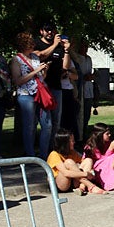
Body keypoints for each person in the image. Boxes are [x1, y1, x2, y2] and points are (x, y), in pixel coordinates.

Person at [34, 23, 74, 157]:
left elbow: (65, 66)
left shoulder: (59, 47)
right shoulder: (37, 44)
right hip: (42, 88)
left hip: (57, 87)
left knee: (57, 122)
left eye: (52, 30)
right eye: (47, 30)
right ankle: (44, 155)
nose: (50, 32)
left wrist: (67, 50)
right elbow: (40, 56)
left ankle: (54, 152)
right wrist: (53, 45)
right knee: (47, 124)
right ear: (41, 31)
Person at [11, 32, 48, 157]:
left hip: (40, 93)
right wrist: (36, 71)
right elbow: (18, 80)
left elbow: (41, 77)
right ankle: (30, 155)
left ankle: (44, 154)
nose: (33, 45)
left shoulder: (35, 57)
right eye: (30, 43)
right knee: (29, 125)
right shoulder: (16, 60)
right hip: (26, 95)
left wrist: (44, 71)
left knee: (47, 124)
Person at [46, 129, 104, 195]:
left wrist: (90, 170)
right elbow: (66, 173)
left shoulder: (72, 152)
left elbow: (83, 164)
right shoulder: (54, 154)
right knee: (69, 162)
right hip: (61, 184)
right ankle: (91, 186)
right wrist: (86, 174)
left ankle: (82, 187)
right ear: (65, 143)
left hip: (74, 182)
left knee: (88, 160)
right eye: (72, 141)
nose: (74, 142)